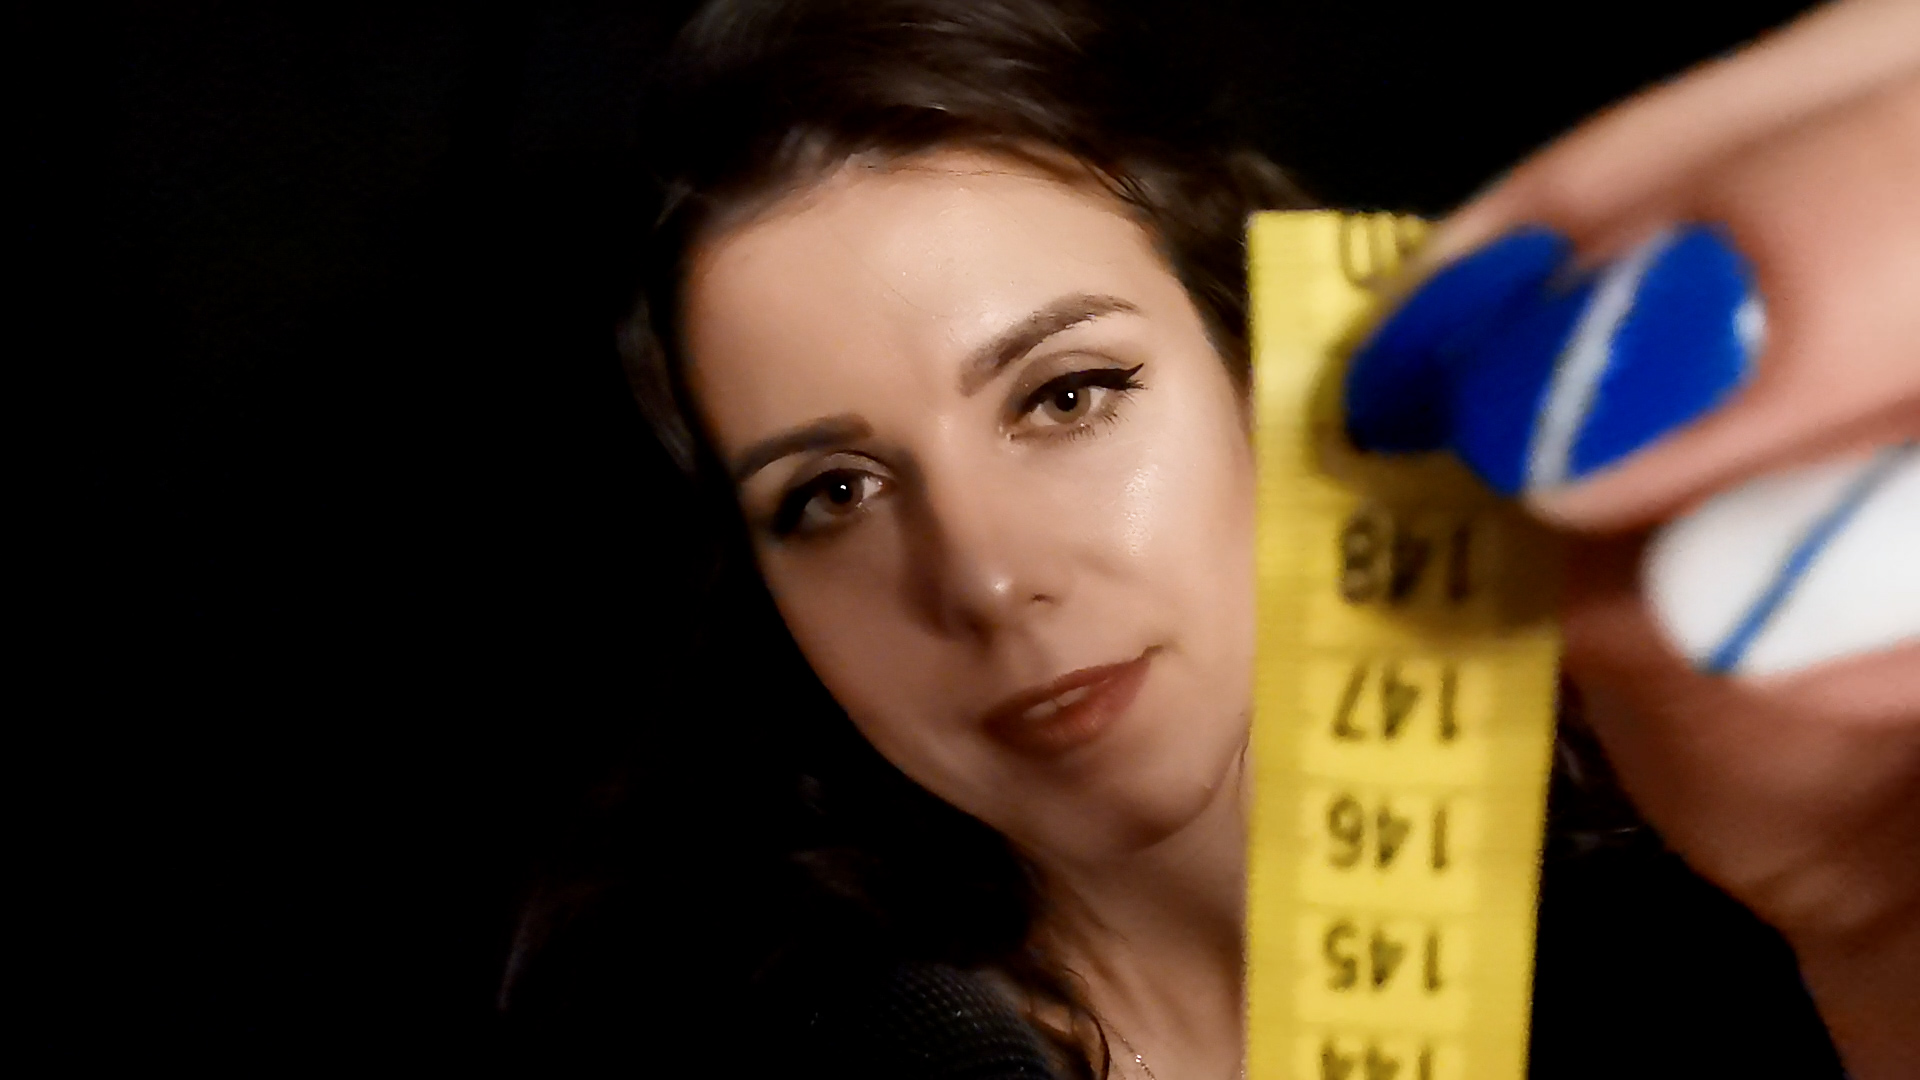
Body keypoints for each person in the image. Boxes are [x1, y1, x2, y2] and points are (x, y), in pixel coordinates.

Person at [516, 0, 1919, 1075]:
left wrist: (1875, 950)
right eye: (831, 495)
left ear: (1267, 372)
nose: (988, 579)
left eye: (1068, 396)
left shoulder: (1747, 897)